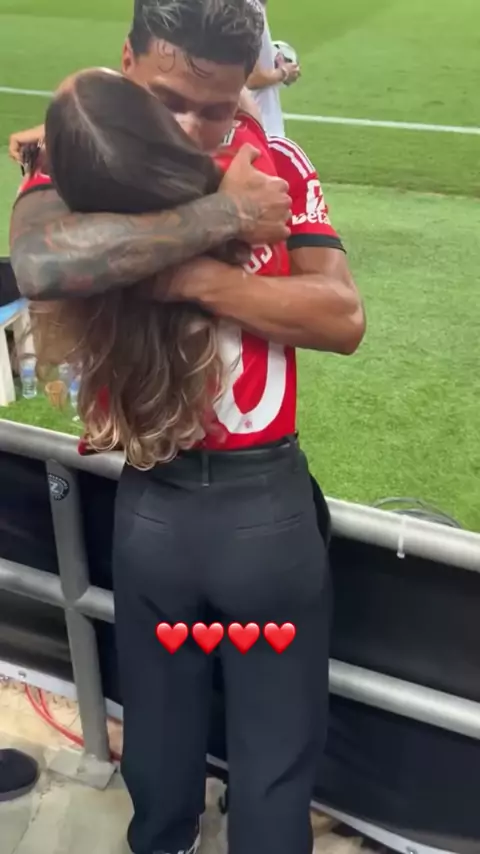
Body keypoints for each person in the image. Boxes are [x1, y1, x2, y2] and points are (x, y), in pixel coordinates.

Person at [9, 2, 365, 854]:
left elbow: (343, 316)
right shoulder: (92, 155)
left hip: (218, 516)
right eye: (170, 100)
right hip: (209, 517)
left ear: (246, 85)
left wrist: (185, 280)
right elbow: (40, 263)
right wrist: (223, 224)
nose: (195, 129)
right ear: (127, 62)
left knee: (211, 744)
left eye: (219, 105)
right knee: (215, 745)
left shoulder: (90, 161)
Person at [246, 0, 299, 136]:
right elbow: (253, 79)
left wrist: (275, 68)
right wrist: (284, 72)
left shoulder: (254, 8)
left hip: (259, 124)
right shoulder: (251, 10)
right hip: (262, 126)